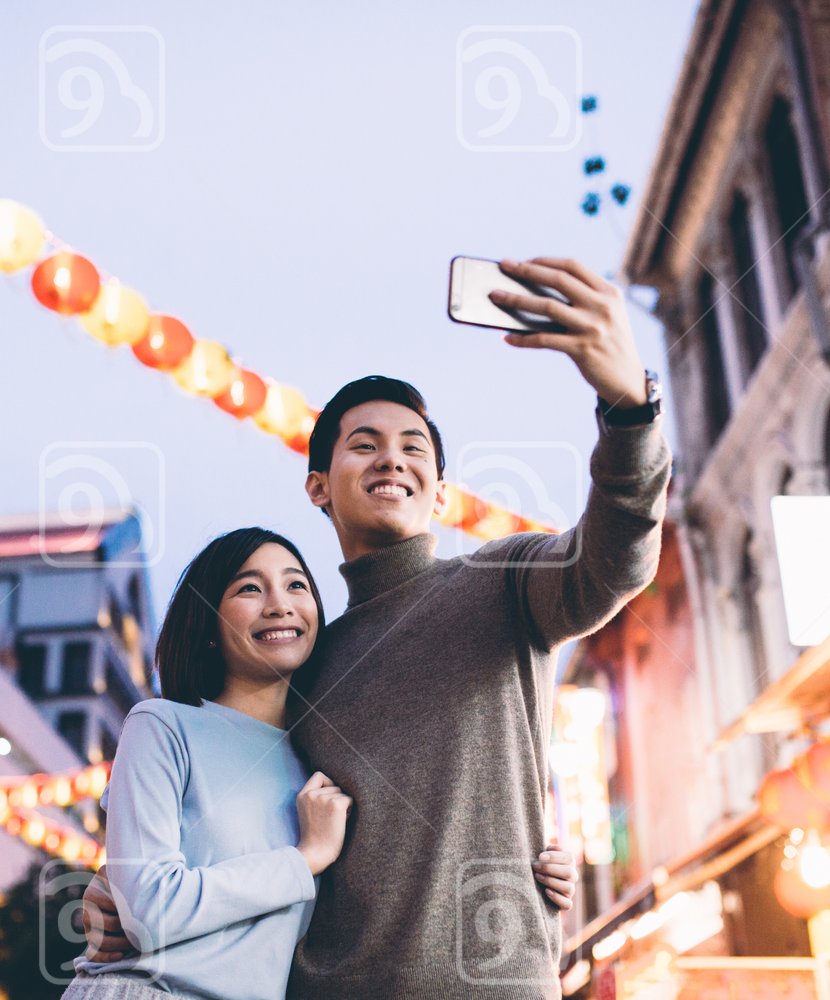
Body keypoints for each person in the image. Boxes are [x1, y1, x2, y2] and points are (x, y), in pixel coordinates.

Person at [84, 256, 667, 999]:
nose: (391, 456)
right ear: (318, 486)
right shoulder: (299, 666)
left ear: (441, 488)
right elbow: (232, 810)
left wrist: (628, 410)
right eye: (364, 443)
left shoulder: (507, 584)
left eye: (413, 446)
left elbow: (617, 558)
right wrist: (116, 892)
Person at [67, 528, 577, 1000]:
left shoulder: (323, 770)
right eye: (250, 589)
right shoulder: (161, 727)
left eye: (296, 586)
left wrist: (530, 865)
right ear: (207, 623)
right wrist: (304, 858)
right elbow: (150, 912)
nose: (279, 605)